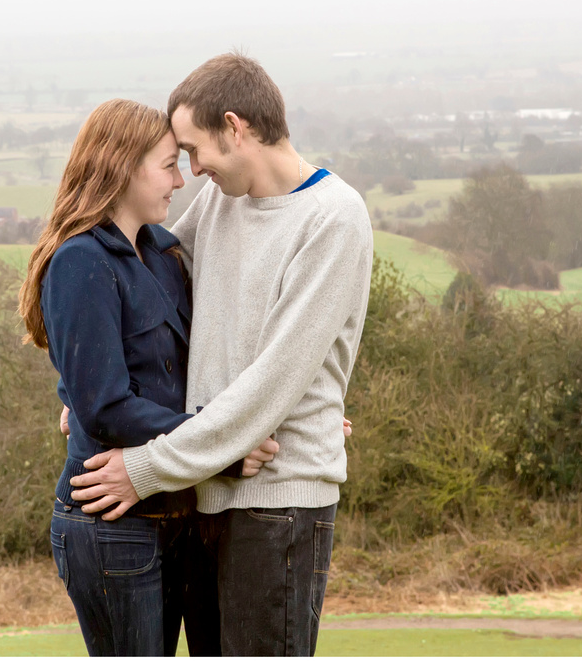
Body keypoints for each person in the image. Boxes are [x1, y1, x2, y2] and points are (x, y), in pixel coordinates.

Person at [68, 53, 375, 656]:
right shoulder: (222, 202)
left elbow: (269, 388)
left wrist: (145, 467)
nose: (190, 170)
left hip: (277, 502)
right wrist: (83, 394)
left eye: (192, 150)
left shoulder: (333, 219)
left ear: (235, 127)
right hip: (205, 486)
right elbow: (138, 300)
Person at [18, 98, 278, 656]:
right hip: (113, 525)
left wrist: (303, 406)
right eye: (168, 165)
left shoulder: (161, 252)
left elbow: (207, 355)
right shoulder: (80, 262)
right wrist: (227, 446)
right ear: (121, 167)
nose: (181, 181)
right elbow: (107, 407)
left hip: (181, 517)